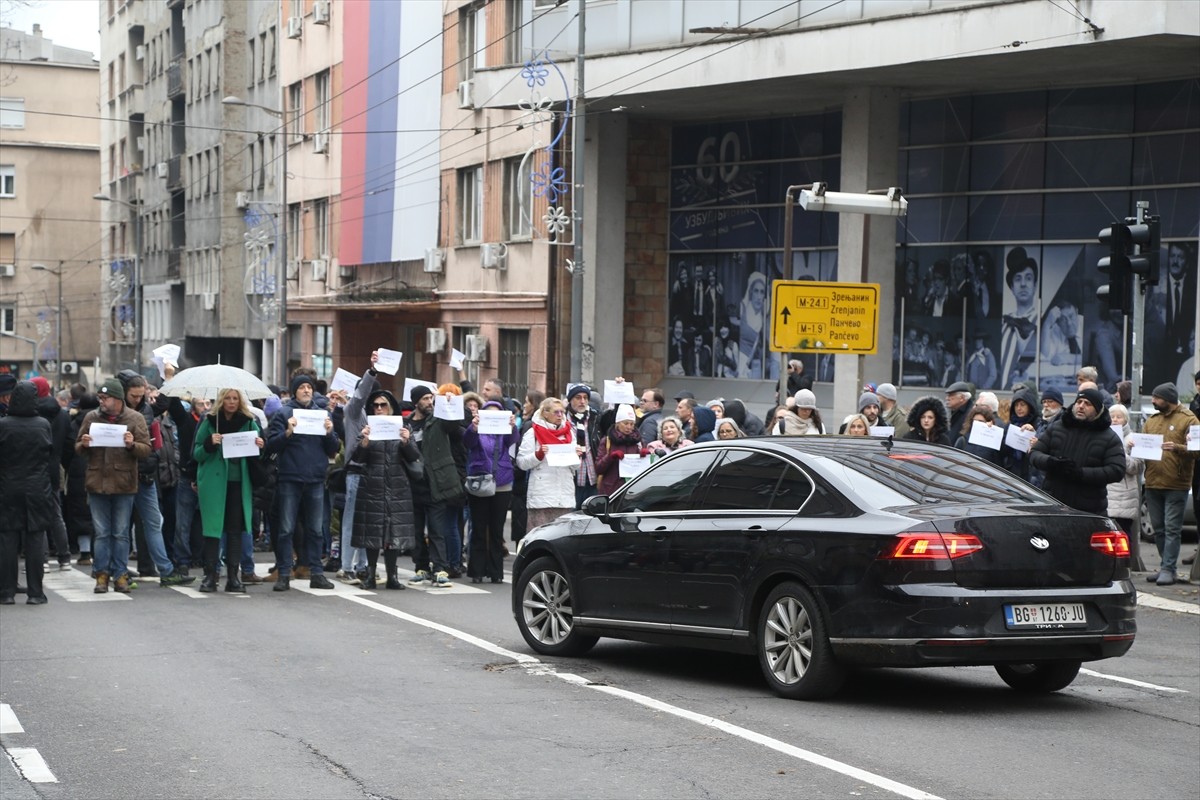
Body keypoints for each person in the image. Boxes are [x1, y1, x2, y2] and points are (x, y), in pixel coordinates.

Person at [264, 374, 340, 592]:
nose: (306, 390)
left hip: (315, 478)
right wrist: (287, 432)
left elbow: (333, 448)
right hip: (290, 478)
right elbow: (271, 446)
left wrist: (328, 433)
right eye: (302, 387)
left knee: (316, 529)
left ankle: (316, 573)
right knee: (286, 528)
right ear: (295, 391)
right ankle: (285, 574)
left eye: (309, 387)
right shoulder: (284, 413)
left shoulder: (322, 414)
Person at [76, 378, 152, 594]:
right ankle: (101, 575)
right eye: (100, 397)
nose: (101, 401)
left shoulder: (134, 418)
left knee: (120, 533)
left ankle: (120, 575)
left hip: (123, 483)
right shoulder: (91, 417)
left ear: (118, 399)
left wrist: (131, 445)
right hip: (97, 482)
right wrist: (84, 444)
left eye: (105, 398)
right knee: (101, 533)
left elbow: (146, 449)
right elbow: (78, 447)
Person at [118, 373, 194, 586]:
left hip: (146, 475)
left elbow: (163, 402)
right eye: (134, 395)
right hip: (123, 476)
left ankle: (166, 570)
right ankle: (119, 571)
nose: (138, 399)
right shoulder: (114, 413)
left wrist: (169, 381)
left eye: (141, 395)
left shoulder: (146, 409)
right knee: (122, 527)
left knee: (153, 523)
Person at [193, 389, 264, 593]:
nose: (231, 402)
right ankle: (210, 576)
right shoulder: (209, 422)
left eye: (235, 399)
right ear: (221, 401)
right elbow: (196, 454)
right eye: (227, 399)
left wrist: (260, 444)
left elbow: (257, 454)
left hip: (238, 484)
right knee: (213, 531)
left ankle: (233, 577)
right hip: (214, 484)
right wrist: (209, 443)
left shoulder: (249, 422)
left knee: (235, 531)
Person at [351, 383, 419, 590]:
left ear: (391, 407)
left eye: (383, 405)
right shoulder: (368, 429)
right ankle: (370, 575)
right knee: (373, 533)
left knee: (394, 532)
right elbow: (357, 458)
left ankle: (393, 576)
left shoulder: (403, 427)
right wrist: (364, 442)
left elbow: (415, 456)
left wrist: (407, 442)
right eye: (375, 406)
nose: (379, 409)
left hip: (397, 486)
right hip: (373, 485)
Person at [404, 385, 467, 587]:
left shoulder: (438, 420)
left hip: (436, 484)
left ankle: (439, 569)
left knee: (436, 530)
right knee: (415, 531)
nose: (429, 402)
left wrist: (451, 403)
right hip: (414, 485)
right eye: (424, 398)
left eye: (431, 398)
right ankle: (421, 567)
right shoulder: (406, 425)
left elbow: (455, 423)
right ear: (415, 402)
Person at [1029, 387, 1124, 516]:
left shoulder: (1109, 437)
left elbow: (1117, 470)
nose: (1081, 406)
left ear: (1098, 410)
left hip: (1089, 510)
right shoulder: (1057, 428)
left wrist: (1081, 473)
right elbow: (1034, 453)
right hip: (1053, 506)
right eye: (1079, 402)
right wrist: (1051, 462)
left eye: (1087, 403)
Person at [0, 381, 54, 604]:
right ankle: (35, 593)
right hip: (37, 487)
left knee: (7, 540)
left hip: (8, 486)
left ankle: (6, 592)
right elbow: (48, 455)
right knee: (34, 540)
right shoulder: (43, 424)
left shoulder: (3, 424)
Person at [1141, 383, 1199, 586]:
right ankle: (1167, 566)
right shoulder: (1152, 420)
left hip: (1177, 483)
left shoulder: (1189, 419)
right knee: (1158, 528)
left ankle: (1168, 568)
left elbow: (1197, 450)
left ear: (1168, 399)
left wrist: (1178, 448)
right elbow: (1143, 446)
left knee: (1172, 528)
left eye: (1157, 398)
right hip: (1153, 481)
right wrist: (1134, 445)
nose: (1153, 401)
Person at [463, 399, 519, 584]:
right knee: (478, 528)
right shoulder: (477, 430)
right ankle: (476, 571)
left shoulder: (504, 432)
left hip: (502, 482)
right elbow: (468, 443)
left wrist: (512, 426)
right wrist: (473, 427)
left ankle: (496, 572)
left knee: (496, 529)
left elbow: (513, 442)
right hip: (480, 481)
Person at [516, 397, 580, 530]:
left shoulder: (569, 433)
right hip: (541, 497)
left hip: (564, 496)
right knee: (539, 536)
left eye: (562, 412)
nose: (560, 415)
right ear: (545, 413)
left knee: (562, 537)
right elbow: (521, 462)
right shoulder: (533, 433)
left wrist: (576, 456)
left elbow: (575, 467)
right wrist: (538, 455)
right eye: (556, 412)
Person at [999, 247, 1040, 388]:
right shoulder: (1003, 323)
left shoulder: (1043, 322)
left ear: (1035, 285)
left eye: (1028, 278)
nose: (1023, 284)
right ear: (1011, 286)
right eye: (1018, 279)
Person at [508, 389, 545, 549]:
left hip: (523, 482)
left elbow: (520, 454)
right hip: (523, 481)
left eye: (527, 402)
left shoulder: (530, 425)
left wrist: (515, 472)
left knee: (522, 526)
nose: (524, 405)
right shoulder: (528, 422)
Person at [1106, 403, 1142, 547]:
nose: (1114, 420)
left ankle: (1126, 567)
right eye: (1112, 417)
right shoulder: (1103, 436)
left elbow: (1136, 467)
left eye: (1119, 417)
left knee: (1123, 535)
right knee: (1107, 536)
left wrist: (1121, 453)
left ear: (1126, 420)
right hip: (1105, 494)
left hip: (1124, 496)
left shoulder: (1132, 439)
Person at [595, 404, 650, 496]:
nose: (629, 427)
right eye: (625, 423)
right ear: (617, 423)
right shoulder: (607, 441)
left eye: (632, 424)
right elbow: (598, 468)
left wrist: (646, 457)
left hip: (633, 490)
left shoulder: (639, 442)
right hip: (611, 490)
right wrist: (610, 457)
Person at [565, 384, 601, 509]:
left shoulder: (595, 417)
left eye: (585, 398)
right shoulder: (562, 419)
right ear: (570, 399)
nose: (582, 401)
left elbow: (614, 420)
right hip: (571, 477)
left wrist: (620, 389)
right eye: (578, 398)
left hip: (592, 476)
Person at [999, 385, 1042, 484]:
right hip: (1011, 472)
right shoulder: (1010, 424)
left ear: (1029, 406)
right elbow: (1001, 450)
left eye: (1022, 405)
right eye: (1016, 405)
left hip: (1029, 474)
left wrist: (1033, 432)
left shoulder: (1038, 423)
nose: (1019, 408)